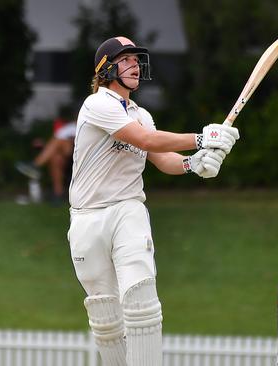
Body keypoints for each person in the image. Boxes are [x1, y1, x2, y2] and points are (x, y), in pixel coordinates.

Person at [67, 36, 239, 366]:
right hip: (86, 219)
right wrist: (202, 138)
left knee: (140, 297)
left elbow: (162, 158)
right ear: (106, 69)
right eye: (126, 59)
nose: (135, 65)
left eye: (136, 59)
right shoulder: (96, 105)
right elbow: (145, 140)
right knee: (105, 315)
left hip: (127, 209)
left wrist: (193, 163)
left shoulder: (141, 115)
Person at [16, 117, 77, 203]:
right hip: (67, 154)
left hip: (79, 151)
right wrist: (44, 145)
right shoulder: (67, 127)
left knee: (58, 142)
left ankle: (35, 165)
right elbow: (53, 146)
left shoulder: (85, 125)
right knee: (55, 158)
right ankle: (58, 194)